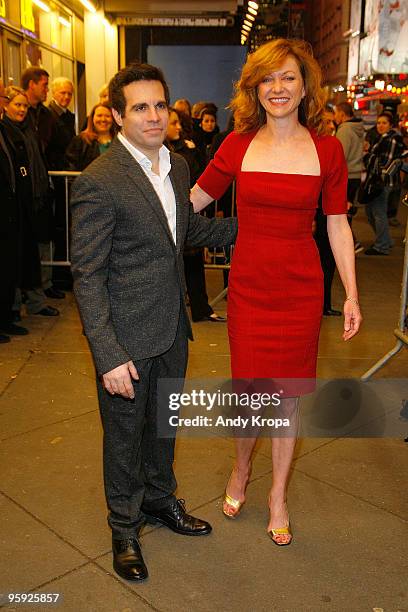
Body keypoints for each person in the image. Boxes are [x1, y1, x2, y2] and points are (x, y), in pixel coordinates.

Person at [70, 62, 237, 582]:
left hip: (172, 329)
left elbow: (186, 233)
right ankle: (124, 526)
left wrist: (260, 226)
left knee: (164, 426)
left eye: (160, 105)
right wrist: (108, 353)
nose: (153, 116)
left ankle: (160, 501)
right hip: (125, 338)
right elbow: (88, 275)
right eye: (140, 107)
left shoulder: (179, 167)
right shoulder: (99, 181)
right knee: (123, 437)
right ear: (118, 115)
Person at [190, 38, 362, 545]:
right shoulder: (238, 145)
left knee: (286, 399)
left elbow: (337, 226)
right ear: (255, 87)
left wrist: (350, 293)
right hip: (248, 288)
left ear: (304, 85)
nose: (278, 88)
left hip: (301, 290)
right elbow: (195, 200)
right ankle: (242, 469)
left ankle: (278, 493)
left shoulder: (327, 149)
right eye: (267, 78)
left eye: (288, 77)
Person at [2, 86, 58, 318]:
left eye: (25, 105)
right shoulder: (6, 131)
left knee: (35, 254)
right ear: (6, 105)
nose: (22, 109)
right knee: (18, 257)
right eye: (17, 104)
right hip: (17, 205)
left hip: (36, 199)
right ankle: (14, 306)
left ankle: (36, 301)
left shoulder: (29, 130)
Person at [166, 107, 226, 322]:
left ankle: (201, 308)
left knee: (193, 261)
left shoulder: (186, 149)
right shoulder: (155, 152)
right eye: (174, 123)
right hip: (166, 219)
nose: (179, 127)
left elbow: (198, 174)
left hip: (186, 212)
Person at [22, 67, 61, 303]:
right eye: (45, 85)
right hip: (27, 186)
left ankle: (43, 285)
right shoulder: (20, 116)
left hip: (43, 184)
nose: (47, 89)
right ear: (32, 84)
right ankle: (29, 290)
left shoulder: (46, 115)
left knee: (46, 236)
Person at [363, 112, 404, 255]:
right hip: (375, 181)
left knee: (378, 213)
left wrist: (366, 156)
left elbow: (386, 165)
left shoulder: (392, 140)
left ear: (391, 125)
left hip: (383, 182)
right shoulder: (381, 138)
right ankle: (385, 240)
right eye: (379, 122)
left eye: (384, 123)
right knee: (370, 212)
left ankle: (382, 245)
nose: (380, 125)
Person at [334, 102, 365, 254]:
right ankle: (350, 243)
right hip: (356, 174)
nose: (335, 117)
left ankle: (352, 243)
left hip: (346, 175)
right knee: (347, 212)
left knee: (341, 212)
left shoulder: (345, 130)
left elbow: (339, 155)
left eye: (336, 113)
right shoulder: (358, 128)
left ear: (341, 113)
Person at [65, 103, 115, 171]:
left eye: (107, 116)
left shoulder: (120, 141)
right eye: (99, 115)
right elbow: (70, 167)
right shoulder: (80, 140)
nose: (103, 119)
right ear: (92, 118)